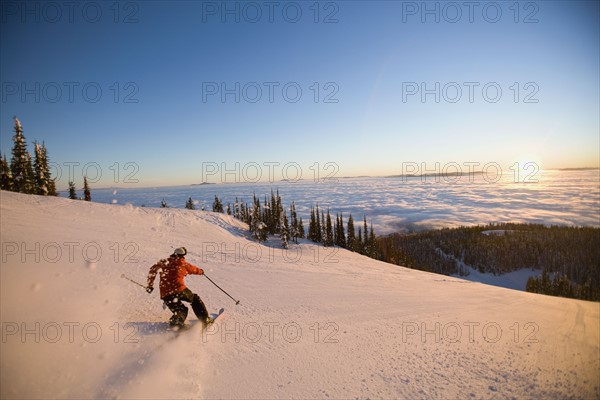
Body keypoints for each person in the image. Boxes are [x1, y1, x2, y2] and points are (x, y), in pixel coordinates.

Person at [147, 247, 213, 328]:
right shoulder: (183, 264)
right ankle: (205, 319)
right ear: (183, 255)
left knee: (181, 310)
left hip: (166, 294)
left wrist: (150, 285)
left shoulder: (164, 262)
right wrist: (201, 271)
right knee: (194, 299)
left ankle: (176, 323)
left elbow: (152, 270)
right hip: (179, 290)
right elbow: (194, 269)